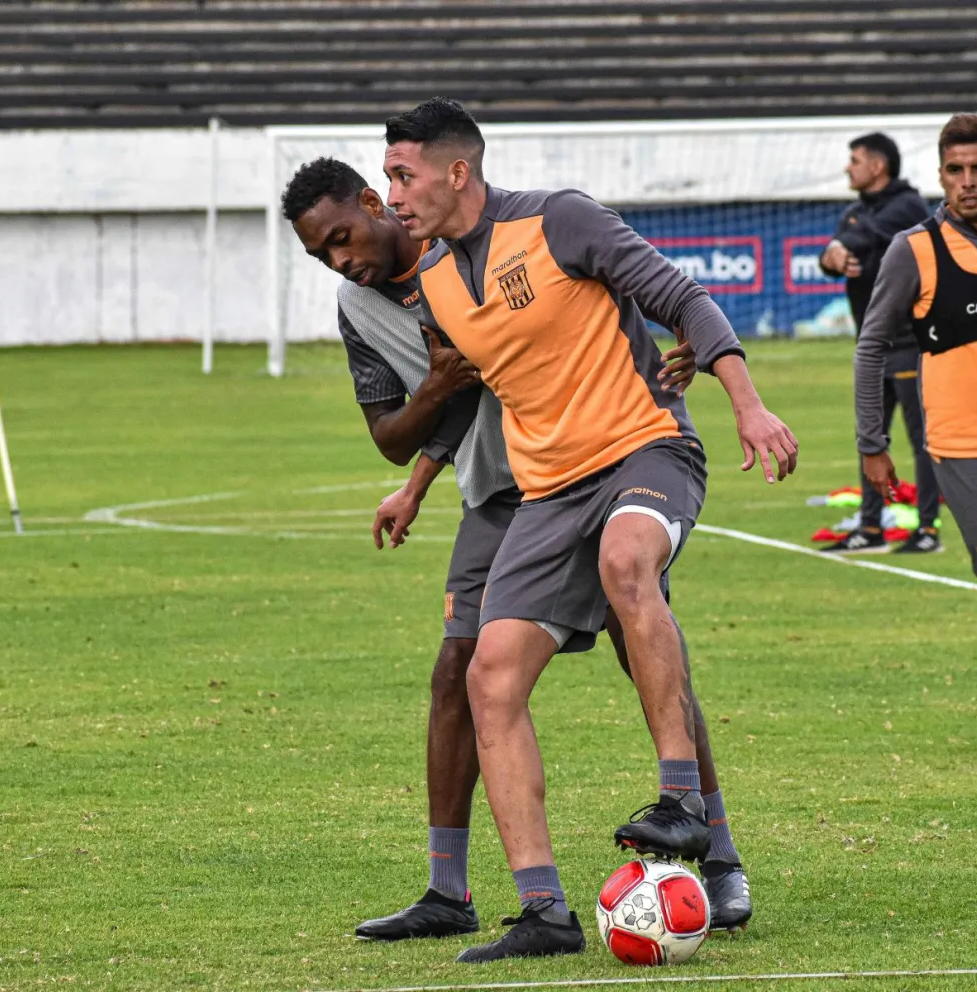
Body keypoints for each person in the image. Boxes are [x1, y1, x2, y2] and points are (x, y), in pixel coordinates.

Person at [279, 156, 754, 943]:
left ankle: (719, 855)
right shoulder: (365, 306)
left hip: (590, 464)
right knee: (462, 673)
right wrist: (422, 464)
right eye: (321, 254)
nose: (340, 260)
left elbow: (577, 325)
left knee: (643, 647)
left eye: (342, 238)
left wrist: (696, 356)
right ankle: (452, 891)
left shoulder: (496, 247)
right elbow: (408, 426)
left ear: (377, 201)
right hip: (499, 494)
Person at [377, 97, 796, 962]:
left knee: (627, 562)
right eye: (387, 176)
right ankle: (544, 912)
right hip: (546, 493)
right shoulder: (434, 283)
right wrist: (418, 484)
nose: (394, 193)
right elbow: (475, 393)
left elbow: (682, 296)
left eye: (403, 175)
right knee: (489, 676)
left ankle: (681, 806)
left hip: (647, 449)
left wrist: (745, 404)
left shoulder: (558, 219)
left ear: (458, 172)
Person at [856, 113, 977, 582]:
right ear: (941, 176)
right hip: (963, 446)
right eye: (956, 170)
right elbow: (871, 348)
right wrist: (872, 444)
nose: (968, 182)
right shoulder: (914, 249)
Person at [819, 132, 941, 555]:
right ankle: (870, 527)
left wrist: (840, 246)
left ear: (878, 166)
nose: (848, 168)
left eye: (854, 160)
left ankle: (928, 529)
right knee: (869, 436)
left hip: (910, 341)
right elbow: (838, 252)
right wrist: (830, 256)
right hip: (871, 346)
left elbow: (866, 235)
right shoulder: (854, 211)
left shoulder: (907, 205)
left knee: (922, 440)